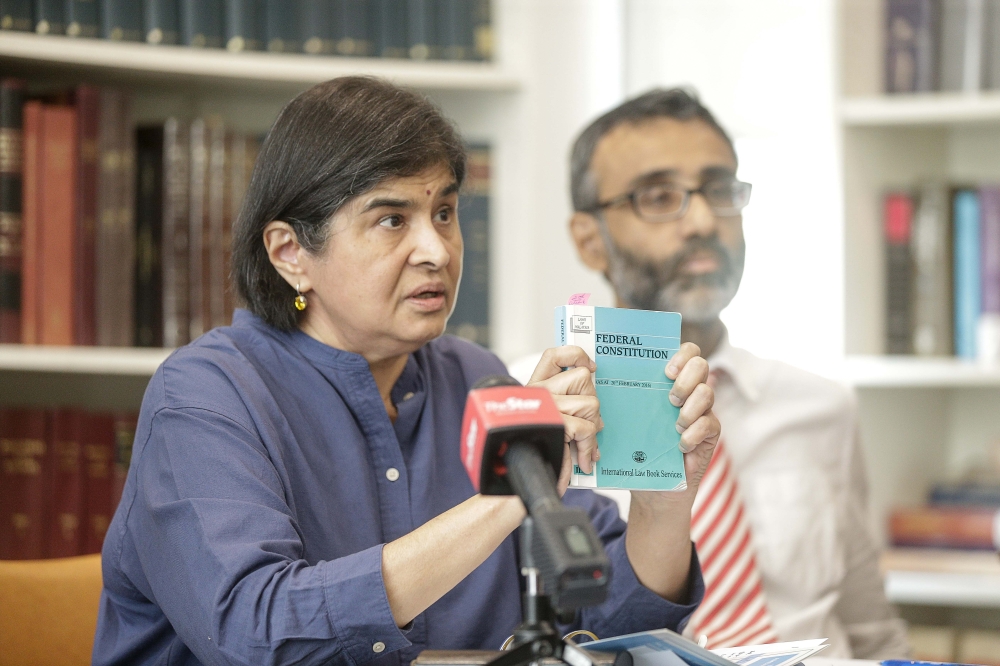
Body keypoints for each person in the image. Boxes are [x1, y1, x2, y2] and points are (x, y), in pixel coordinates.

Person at [92, 78, 723, 666]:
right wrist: (504, 498)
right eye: (392, 220)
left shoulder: (477, 377)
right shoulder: (205, 396)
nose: (437, 250)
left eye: (444, 213)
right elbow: (259, 633)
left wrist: (664, 502)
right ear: (291, 254)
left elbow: (605, 629)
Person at [511, 88, 909, 658]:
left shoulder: (822, 406)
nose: (701, 219)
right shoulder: (532, 408)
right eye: (658, 196)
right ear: (588, 239)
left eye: (719, 191)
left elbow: (869, 626)